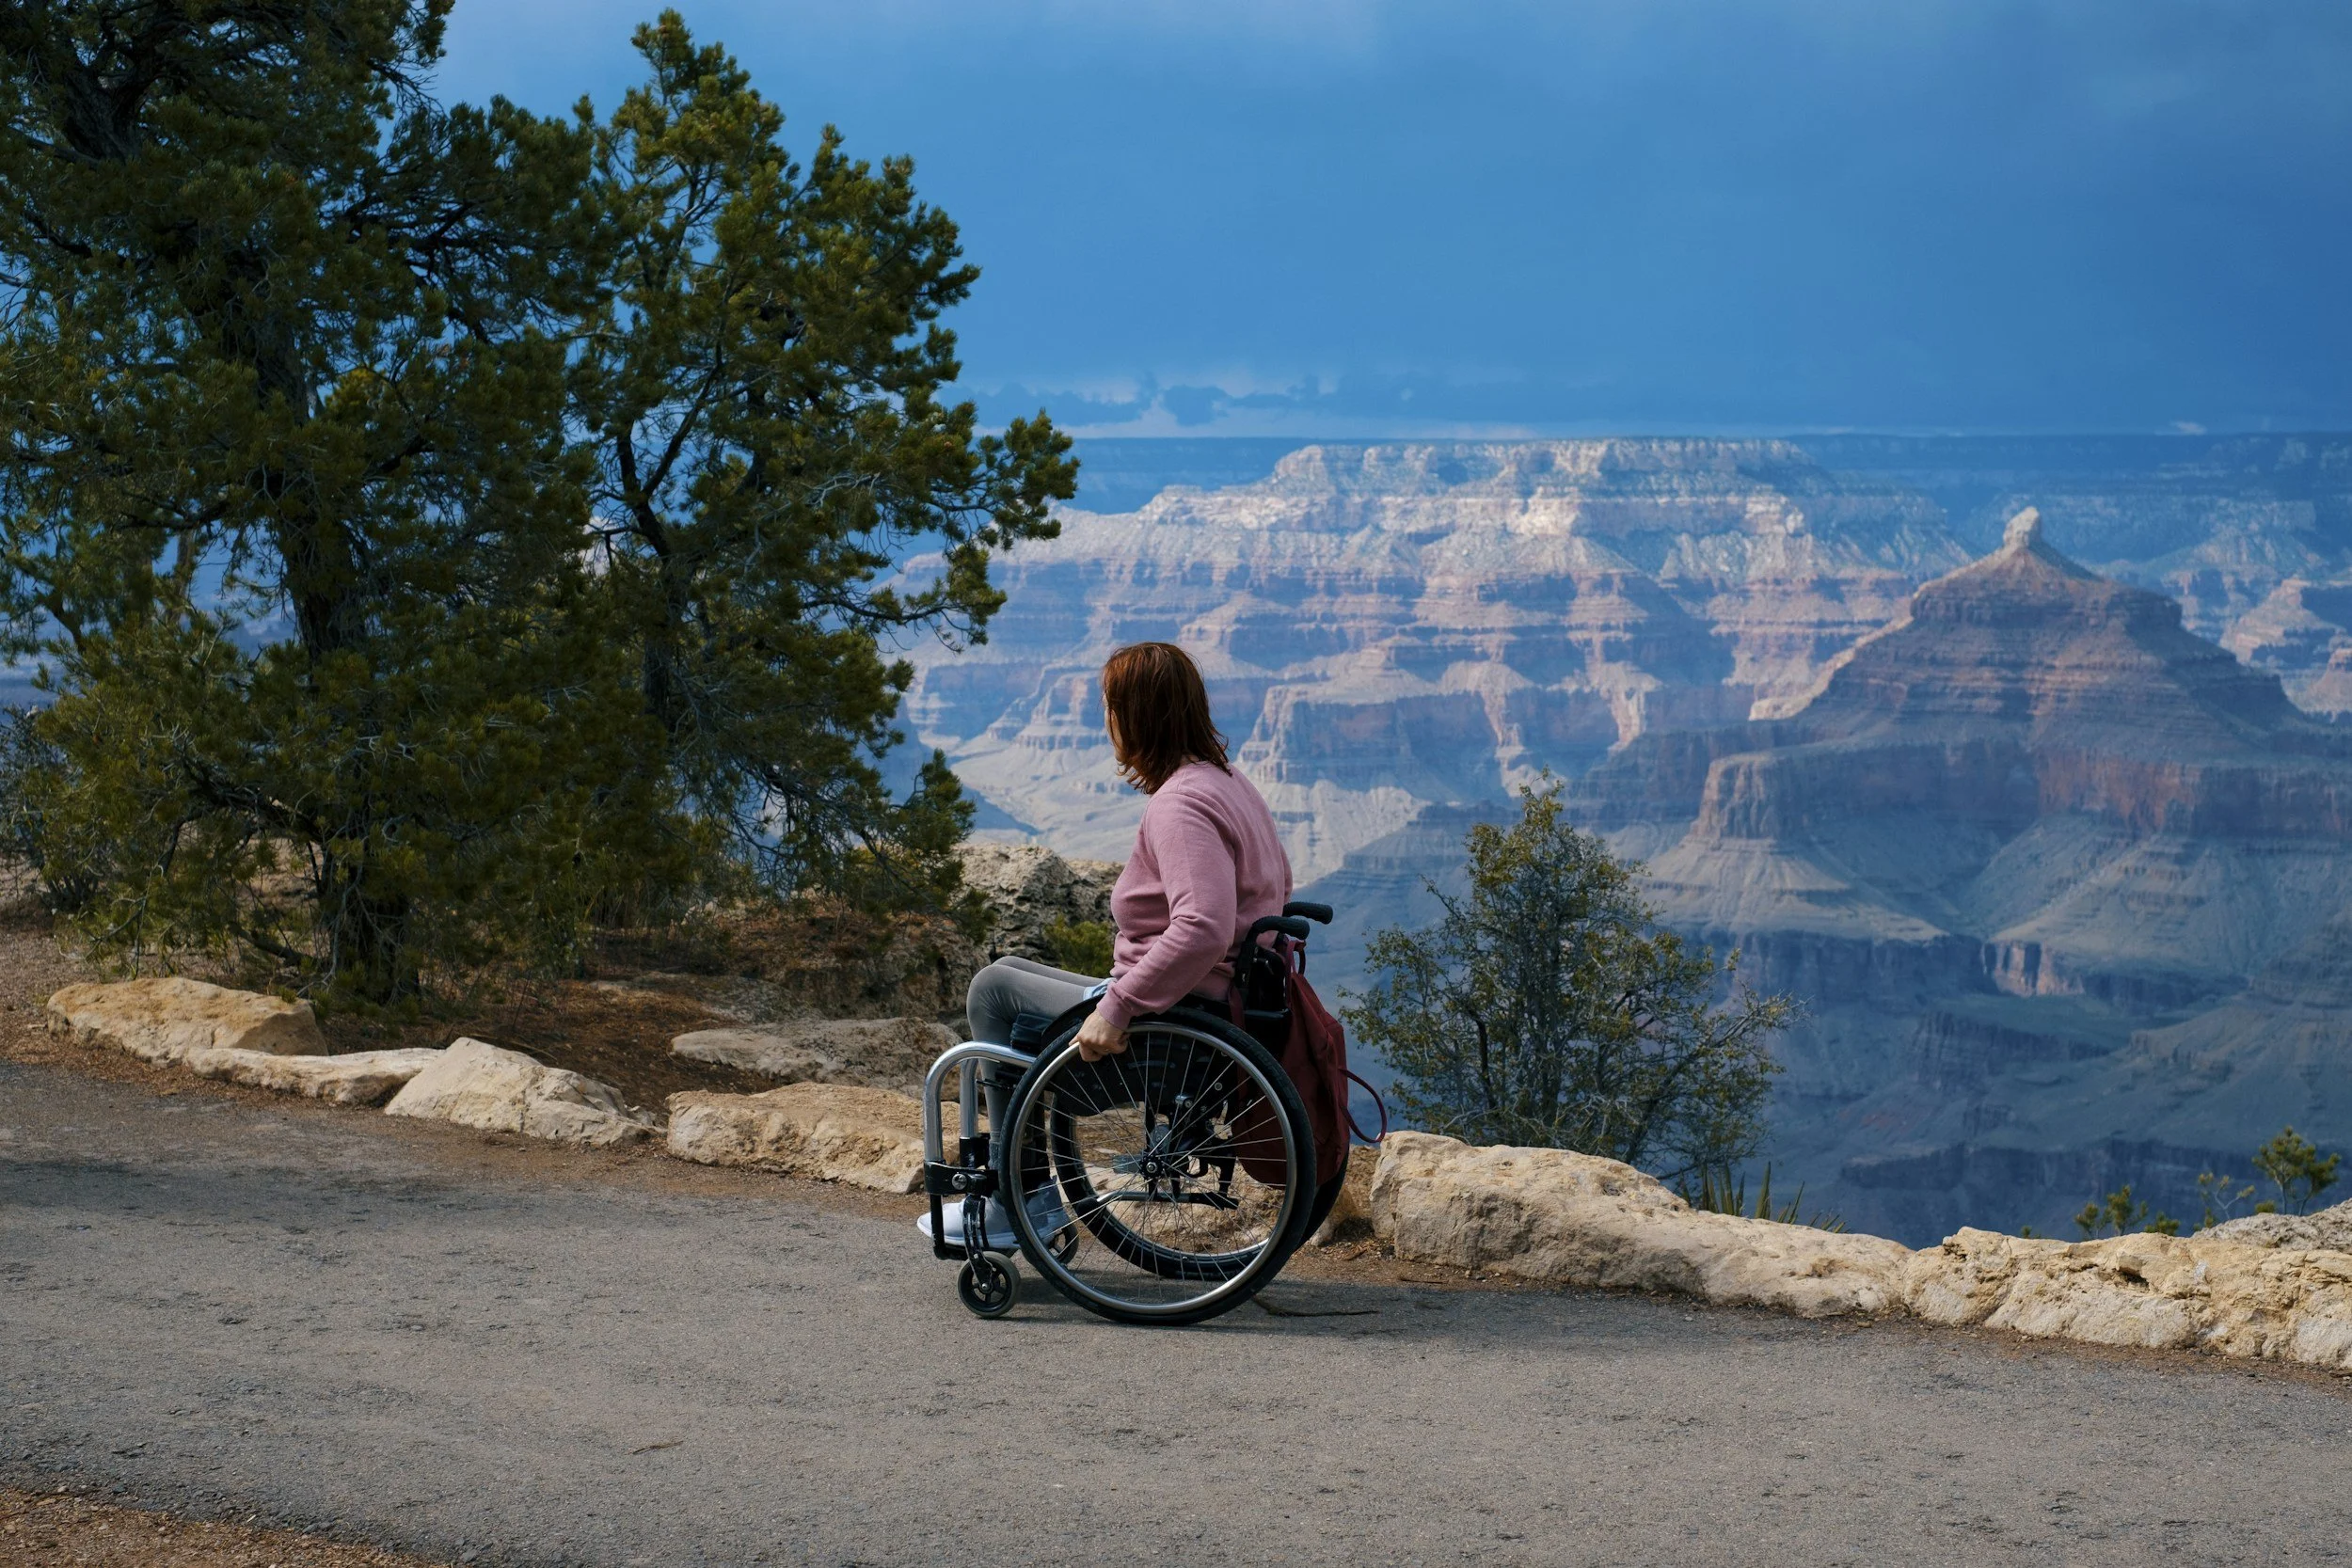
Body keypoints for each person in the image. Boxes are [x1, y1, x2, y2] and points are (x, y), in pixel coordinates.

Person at [964, 641, 1293, 1062]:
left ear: (1136, 718)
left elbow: (1203, 927)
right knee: (1008, 967)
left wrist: (1116, 1008)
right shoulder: (1230, 780)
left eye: (1110, 709)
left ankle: (1008, 1130)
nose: (1106, 722)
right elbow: (1280, 885)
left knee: (991, 989)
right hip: (1216, 998)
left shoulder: (1180, 804)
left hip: (1177, 1013)